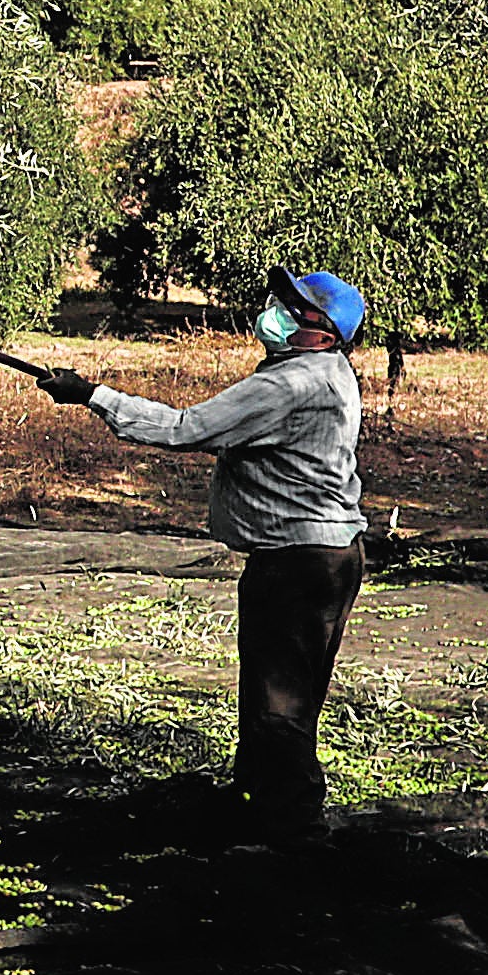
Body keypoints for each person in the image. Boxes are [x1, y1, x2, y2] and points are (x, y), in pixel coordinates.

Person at [43, 266, 369, 841]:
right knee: (289, 691)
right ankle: (259, 800)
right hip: (330, 555)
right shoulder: (331, 372)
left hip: (296, 560)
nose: (274, 312)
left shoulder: (287, 384)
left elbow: (183, 428)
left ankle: (293, 829)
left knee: (278, 700)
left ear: (321, 331)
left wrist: (91, 395)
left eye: (292, 307)